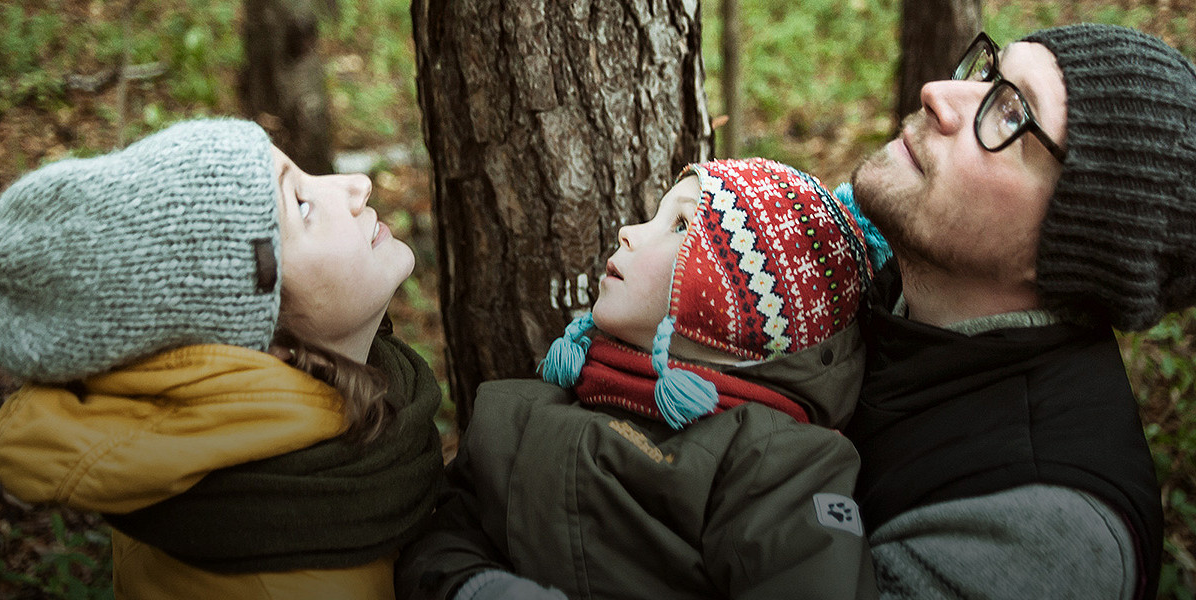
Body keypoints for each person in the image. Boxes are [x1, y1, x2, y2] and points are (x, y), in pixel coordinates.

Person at [394, 157, 887, 600]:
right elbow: (441, 539)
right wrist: (480, 587)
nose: (630, 230)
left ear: (731, 308)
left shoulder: (777, 463)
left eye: (679, 225)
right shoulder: (526, 407)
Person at [0, 119, 444, 599]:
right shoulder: (280, 583)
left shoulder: (210, 456)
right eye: (301, 204)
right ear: (263, 342)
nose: (357, 186)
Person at [844, 23, 1195, 600]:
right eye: (989, 74)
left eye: (1011, 115)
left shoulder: (1045, 534)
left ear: (1080, 241)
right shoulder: (866, 277)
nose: (936, 92)